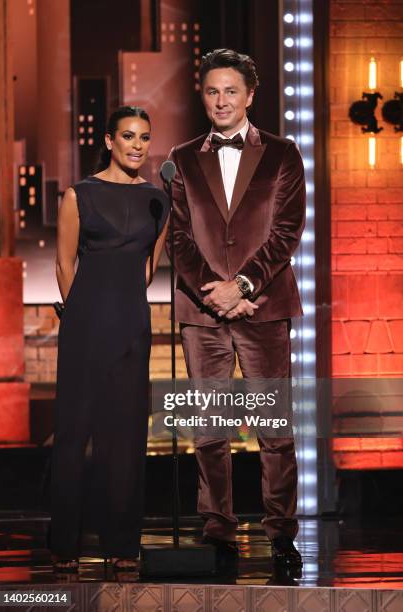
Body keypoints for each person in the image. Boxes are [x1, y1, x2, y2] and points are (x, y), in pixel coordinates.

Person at [167, 49, 305, 569]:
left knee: (275, 427)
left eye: (231, 90)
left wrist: (243, 285)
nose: (221, 100)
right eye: (211, 91)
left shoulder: (282, 154)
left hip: (264, 306)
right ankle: (219, 529)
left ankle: (280, 531)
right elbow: (178, 235)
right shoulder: (181, 158)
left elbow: (287, 230)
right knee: (210, 428)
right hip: (203, 311)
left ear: (250, 95)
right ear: (201, 97)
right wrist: (214, 290)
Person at [51, 106, 169, 573]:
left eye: (144, 137)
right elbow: (64, 266)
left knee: (126, 436)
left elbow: (147, 268)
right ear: (108, 140)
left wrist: (122, 315)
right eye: (127, 136)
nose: (137, 145)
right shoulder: (79, 195)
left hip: (131, 326)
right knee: (74, 433)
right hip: (84, 325)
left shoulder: (158, 201)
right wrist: (83, 316)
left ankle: (123, 544)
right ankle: (65, 545)